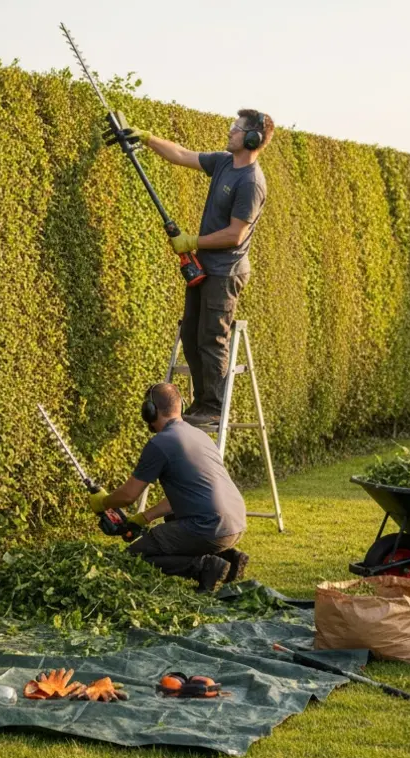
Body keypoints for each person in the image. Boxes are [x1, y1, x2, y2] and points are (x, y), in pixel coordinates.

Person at [122, 110, 273, 426]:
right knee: (190, 334)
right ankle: (201, 401)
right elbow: (181, 154)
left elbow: (236, 234)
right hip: (205, 266)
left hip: (226, 271)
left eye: (237, 129)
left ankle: (214, 406)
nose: (230, 131)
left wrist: (192, 241)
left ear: (252, 139)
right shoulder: (223, 163)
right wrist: (147, 138)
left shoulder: (251, 182)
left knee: (211, 337)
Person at [87, 383, 250, 593]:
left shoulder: (160, 443)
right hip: (235, 523)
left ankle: (205, 567)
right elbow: (187, 495)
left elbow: (128, 496)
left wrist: (103, 502)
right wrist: (144, 517)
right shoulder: (198, 435)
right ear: (180, 407)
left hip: (209, 527)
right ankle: (229, 556)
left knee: (136, 556)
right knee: (171, 520)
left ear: (149, 411)